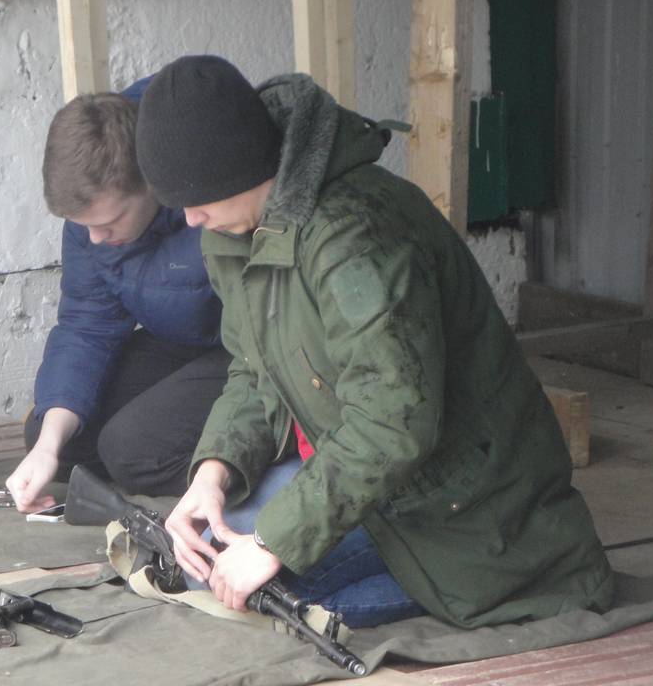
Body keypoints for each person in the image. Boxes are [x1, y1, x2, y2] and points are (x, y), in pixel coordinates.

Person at [136, 55, 614, 628]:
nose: (190, 220)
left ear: (239, 167)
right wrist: (214, 471)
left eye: (198, 199)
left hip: (462, 504)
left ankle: (497, 576)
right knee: (199, 563)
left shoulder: (352, 233)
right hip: (369, 478)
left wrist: (271, 543)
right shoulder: (236, 228)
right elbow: (252, 365)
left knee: (268, 595)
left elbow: (393, 417)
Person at [5, 84, 230, 513]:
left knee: (133, 450)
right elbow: (86, 325)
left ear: (152, 182)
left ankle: (242, 472)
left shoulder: (207, 188)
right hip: (182, 340)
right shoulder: (94, 219)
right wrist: (47, 446)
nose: (95, 238)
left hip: (246, 350)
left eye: (108, 222)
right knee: (52, 436)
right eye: (83, 225)